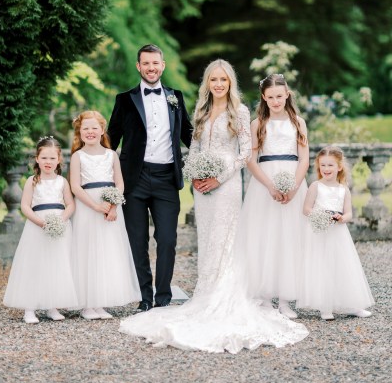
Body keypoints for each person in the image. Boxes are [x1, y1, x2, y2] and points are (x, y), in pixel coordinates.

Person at [118, 60, 308, 353]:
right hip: (201, 185)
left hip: (227, 183)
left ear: (230, 83)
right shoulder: (202, 110)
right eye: (214, 79)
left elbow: (245, 152)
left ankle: (225, 295)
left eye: (223, 80)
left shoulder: (241, 112)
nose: (218, 84)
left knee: (225, 239)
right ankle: (205, 293)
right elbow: (193, 146)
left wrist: (218, 177)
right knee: (207, 240)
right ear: (207, 83)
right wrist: (194, 172)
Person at [107, 44, 193, 311]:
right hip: (134, 178)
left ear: (162, 65)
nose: (151, 68)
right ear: (139, 66)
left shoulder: (176, 97)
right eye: (146, 63)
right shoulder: (125, 99)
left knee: (167, 239)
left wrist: (210, 158)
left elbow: (188, 135)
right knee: (137, 239)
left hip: (167, 177)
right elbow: (111, 139)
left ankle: (163, 296)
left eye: (155, 63)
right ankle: (145, 297)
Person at [235, 73, 309, 319]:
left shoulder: (298, 122)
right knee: (265, 236)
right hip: (265, 183)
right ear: (263, 98)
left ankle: (286, 300)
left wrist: (295, 186)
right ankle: (265, 296)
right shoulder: (258, 124)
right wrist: (269, 185)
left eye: (280, 96)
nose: (276, 101)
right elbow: (250, 160)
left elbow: (304, 158)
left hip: (293, 179)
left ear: (287, 94)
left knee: (290, 237)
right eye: (270, 97)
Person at [70, 110, 141, 320]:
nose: (90, 132)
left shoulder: (111, 155)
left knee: (106, 251)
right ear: (80, 132)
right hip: (87, 208)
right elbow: (75, 186)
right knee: (87, 251)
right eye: (86, 129)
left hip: (109, 209)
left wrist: (113, 206)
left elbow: (119, 183)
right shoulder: (78, 156)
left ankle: (100, 302)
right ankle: (86, 304)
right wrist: (94, 205)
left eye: (94, 128)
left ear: (102, 130)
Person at [4, 136, 78, 324]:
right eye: (44, 157)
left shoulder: (62, 181)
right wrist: (40, 222)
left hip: (59, 228)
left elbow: (70, 205)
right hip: (37, 227)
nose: (48, 162)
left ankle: (52, 305)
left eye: (52, 158)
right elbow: (25, 206)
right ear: (37, 158)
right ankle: (30, 308)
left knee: (56, 264)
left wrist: (60, 220)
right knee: (35, 265)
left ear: (59, 160)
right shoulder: (32, 181)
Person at [297, 145, 374, 320]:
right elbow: (306, 209)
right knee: (322, 266)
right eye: (322, 165)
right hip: (319, 233)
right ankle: (325, 307)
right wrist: (320, 216)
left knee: (343, 266)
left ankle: (352, 305)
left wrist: (341, 218)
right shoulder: (315, 186)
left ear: (339, 167)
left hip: (338, 234)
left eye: (330, 165)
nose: (326, 169)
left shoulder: (343, 189)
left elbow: (349, 213)